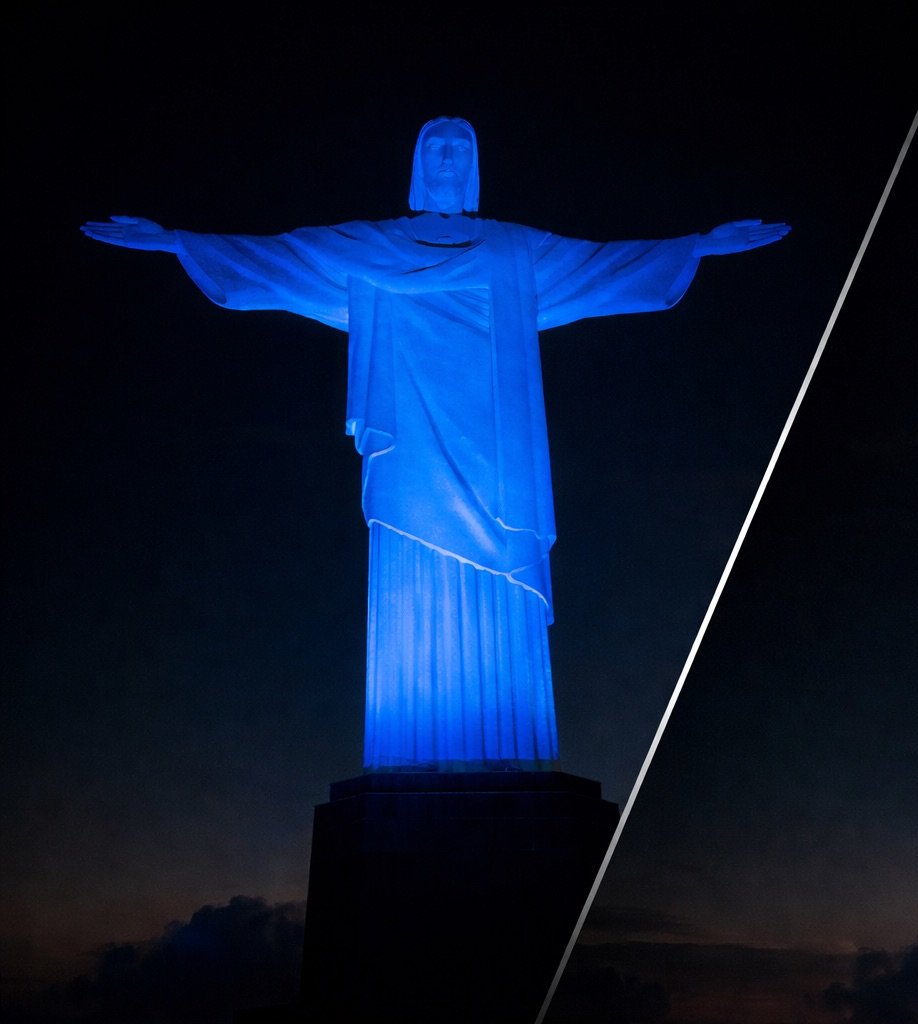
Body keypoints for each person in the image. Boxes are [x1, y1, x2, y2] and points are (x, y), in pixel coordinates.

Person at [82, 116, 788, 772]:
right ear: (419, 164)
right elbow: (281, 259)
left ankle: (509, 756)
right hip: (411, 448)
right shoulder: (371, 244)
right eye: (437, 146)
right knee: (410, 575)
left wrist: (695, 246)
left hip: (498, 449)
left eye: (461, 146)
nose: (449, 156)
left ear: (474, 163)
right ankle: (416, 758)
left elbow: (604, 266)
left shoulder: (516, 248)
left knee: (504, 571)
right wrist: (178, 240)